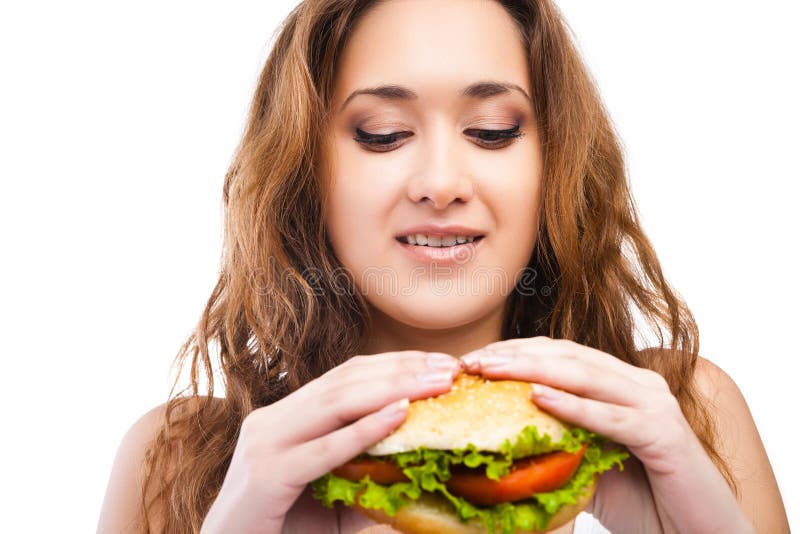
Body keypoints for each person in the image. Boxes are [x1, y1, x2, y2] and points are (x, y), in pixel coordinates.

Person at [97, 0, 790, 533]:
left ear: (553, 161)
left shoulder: (684, 411)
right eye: (382, 134)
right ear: (306, 170)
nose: (440, 181)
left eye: (492, 130)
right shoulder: (181, 457)